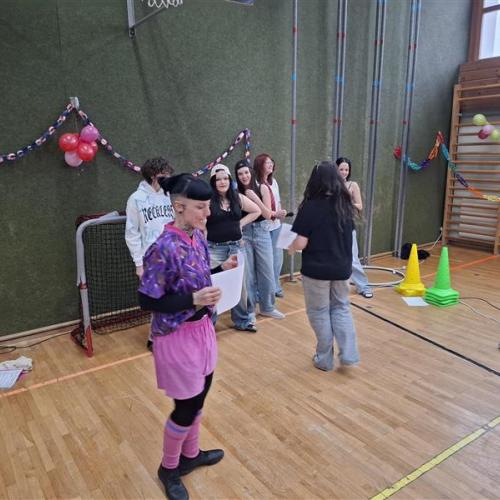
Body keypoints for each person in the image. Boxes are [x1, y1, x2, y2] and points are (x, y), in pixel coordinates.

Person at [138, 173, 237, 500]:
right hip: (176, 337)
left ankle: (190, 455)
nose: (208, 213)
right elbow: (147, 300)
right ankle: (169, 467)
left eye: (208, 206)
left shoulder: (198, 238)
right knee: (186, 406)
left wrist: (221, 271)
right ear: (179, 207)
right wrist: (193, 300)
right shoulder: (162, 248)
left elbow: (197, 278)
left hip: (203, 330)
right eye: (200, 207)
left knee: (199, 397)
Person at [289, 162, 360, 371]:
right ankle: (349, 354)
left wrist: (291, 247)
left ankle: (324, 359)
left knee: (319, 311)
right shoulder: (345, 206)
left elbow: (301, 243)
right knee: (341, 307)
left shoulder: (310, 207)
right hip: (341, 268)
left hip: (316, 271)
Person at [125, 157, 175, 351]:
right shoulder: (136, 199)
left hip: (171, 254)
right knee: (157, 299)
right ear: (154, 176)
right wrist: (139, 264)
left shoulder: (168, 196)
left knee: (172, 297)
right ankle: (154, 339)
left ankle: (168, 335)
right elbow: (132, 234)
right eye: (164, 175)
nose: (167, 178)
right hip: (151, 258)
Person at [206, 164, 261, 332]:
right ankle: (208, 325)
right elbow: (200, 222)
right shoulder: (207, 200)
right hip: (214, 249)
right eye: (218, 179)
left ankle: (242, 320)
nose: (222, 182)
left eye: (225, 178)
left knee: (240, 286)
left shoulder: (237, 198)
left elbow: (256, 211)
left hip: (236, 248)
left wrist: (239, 225)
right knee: (213, 286)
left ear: (230, 180)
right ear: (213, 182)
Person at [234, 160, 284, 323]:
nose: (244, 176)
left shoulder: (262, 188)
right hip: (244, 234)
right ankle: (249, 311)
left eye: (246, 172)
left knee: (267, 271)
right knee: (247, 275)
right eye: (240, 174)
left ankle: (267, 307)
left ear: (251, 172)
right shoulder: (235, 193)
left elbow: (268, 214)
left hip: (262, 231)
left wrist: (253, 196)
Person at [336, 157, 373, 299]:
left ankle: (363, 287)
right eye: (341, 169)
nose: (344, 172)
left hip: (347, 226)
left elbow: (360, 206)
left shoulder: (353, 185)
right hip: (332, 227)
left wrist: (346, 204)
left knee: (352, 258)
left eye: (346, 169)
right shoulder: (331, 185)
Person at [254, 154, 288, 298]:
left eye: (271, 162)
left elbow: (277, 201)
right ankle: (262, 291)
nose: (271, 165)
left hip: (277, 225)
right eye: (267, 162)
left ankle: (275, 287)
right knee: (265, 262)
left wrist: (280, 213)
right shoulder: (256, 184)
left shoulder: (274, 182)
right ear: (260, 165)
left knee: (278, 259)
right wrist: (274, 214)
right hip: (263, 227)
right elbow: (261, 208)